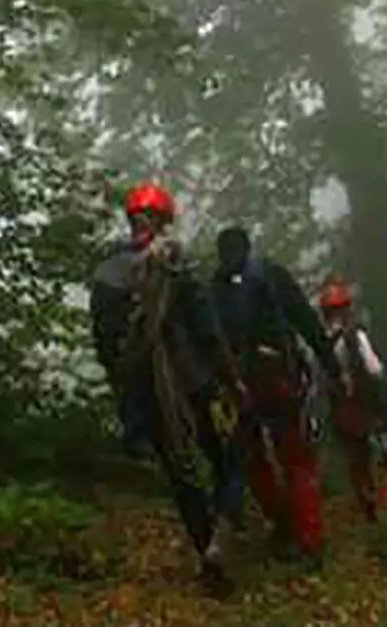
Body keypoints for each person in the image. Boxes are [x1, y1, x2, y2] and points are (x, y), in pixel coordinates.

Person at [88, 181, 245, 598]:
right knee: (228, 453)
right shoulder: (174, 261)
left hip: (145, 390)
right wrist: (231, 380)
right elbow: (206, 330)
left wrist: (125, 393)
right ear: (164, 219)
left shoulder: (107, 271)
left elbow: (104, 343)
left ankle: (207, 553)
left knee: (181, 474)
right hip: (192, 379)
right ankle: (223, 532)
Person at [211, 226, 345, 568]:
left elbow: (209, 339)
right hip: (278, 377)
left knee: (253, 459)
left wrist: (219, 387)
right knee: (296, 459)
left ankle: (282, 524)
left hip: (240, 384)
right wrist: (333, 368)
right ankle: (309, 540)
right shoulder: (270, 274)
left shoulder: (217, 286)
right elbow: (305, 320)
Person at [317, 276, 387, 523]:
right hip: (367, 406)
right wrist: (385, 407)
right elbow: (375, 370)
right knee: (386, 452)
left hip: (342, 411)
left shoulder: (322, 343)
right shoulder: (354, 337)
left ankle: (368, 506)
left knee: (356, 461)